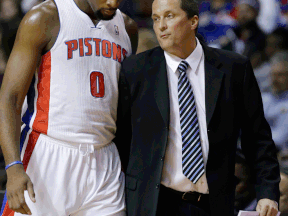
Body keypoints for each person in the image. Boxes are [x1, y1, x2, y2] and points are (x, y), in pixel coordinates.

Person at [115, 0, 280, 215]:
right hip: (154, 203)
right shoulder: (135, 71)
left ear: (193, 21)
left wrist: (267, 191)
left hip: (213, 204)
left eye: (169, 16)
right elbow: (121, 140)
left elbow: (257, 138)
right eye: (156, 19)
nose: (160, 25)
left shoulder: (234, 69)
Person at [0, 0, 138, 215]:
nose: (113, 2)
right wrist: (13, 166)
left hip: (104, 160)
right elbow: (10, 97)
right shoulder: (45, 17)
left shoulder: (128, 27)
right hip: (48, 155)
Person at [262, 51, 288, 151]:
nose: (274, 79)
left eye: (280, 75)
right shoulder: (264, 98)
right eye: (273, 75)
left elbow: (279, 139)